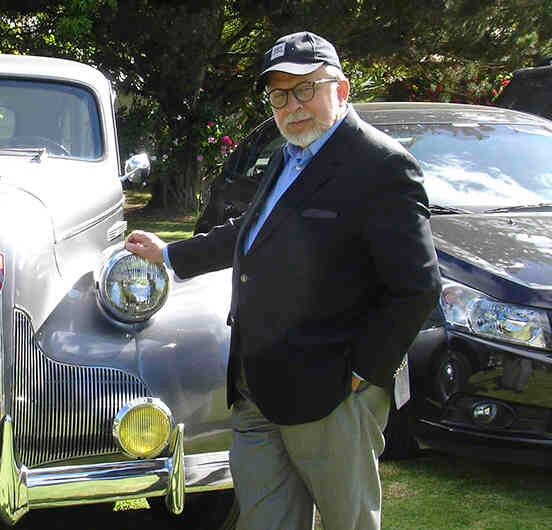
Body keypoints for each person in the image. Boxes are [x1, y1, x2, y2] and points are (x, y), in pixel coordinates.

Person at [125, 31, 441, 530]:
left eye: (305, 89)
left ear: (341, 88)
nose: (291, 106)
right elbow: (253, 229)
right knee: (264, 521)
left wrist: (363, 373)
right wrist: (169, 253)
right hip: (256, 387)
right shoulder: (286, 155)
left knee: (348, 521)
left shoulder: (380, 166)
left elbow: (417, 286)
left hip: (332, 395)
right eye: (279, 94)